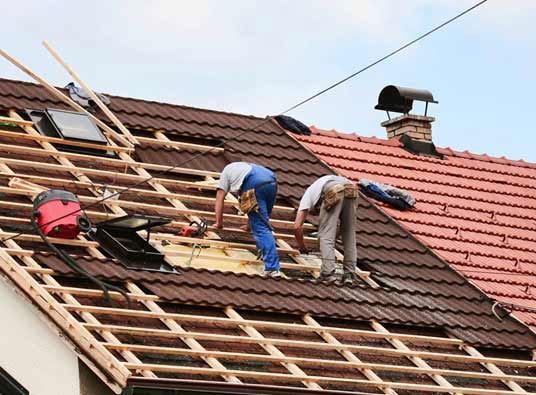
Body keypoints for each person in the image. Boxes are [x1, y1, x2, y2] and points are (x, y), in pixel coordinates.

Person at [215, 162, 281, 277]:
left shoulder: (225, 174)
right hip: (271, 181)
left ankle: (272, 268)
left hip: (255, 183)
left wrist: (219, 223)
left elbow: (220, 199)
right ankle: (263, 249)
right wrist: (248, 226)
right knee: (263, 221)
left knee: (261, 228)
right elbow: (250, 206)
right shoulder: (241, 168)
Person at [294, 175, 358, 284]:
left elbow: (297, 226)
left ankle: (327, 274)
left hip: (333, 189)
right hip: (352, 189)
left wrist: (302, 247)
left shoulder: (307, 196)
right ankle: (349, 275)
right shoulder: (318, 188)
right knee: (349, 235)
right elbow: (340, 228)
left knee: (325, 235)